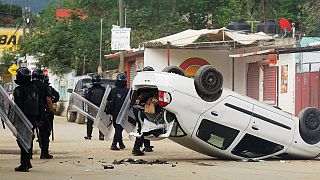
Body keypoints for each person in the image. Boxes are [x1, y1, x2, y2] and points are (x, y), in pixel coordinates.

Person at [13, 67, 39, 172]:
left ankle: (24, 164)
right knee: (29, 139)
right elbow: (39, 104)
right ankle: (27, 162)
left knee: (22, 141)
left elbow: (17, 107)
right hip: (33, 118)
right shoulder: (34, 88)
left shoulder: (18, 90)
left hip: (23, 118)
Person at [32, 69, 54, 159]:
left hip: (30, 113)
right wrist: (52, 111)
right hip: (42, 113)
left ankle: (28, 154)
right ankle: (44, 153)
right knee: (44, 134)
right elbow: (49, 101)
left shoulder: (29, 86)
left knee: (29, 134)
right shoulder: (45, 87)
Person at [105, 73, 128, 150]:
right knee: (119, 129)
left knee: (118, 128)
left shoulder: (113, 90)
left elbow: (108, 101)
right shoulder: (127, 91)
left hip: (115, 113)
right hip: (123, 113)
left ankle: (121, 144)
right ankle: (114, 144)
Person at [84, 74, 105, 140]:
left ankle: (89, 135)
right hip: (101, 108)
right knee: (101, 122)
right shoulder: (103, 89)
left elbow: (87, 98)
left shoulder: (90, 89)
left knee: (90, 122)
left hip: (92, 108)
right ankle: (101, 136)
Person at [44, 75, 59, 141]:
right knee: (49, 122)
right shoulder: (49, 88)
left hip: (41, 109)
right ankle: (47, 134)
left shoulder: (35, 87)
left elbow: (56, 96)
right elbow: (56, 97)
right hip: (47, 108)